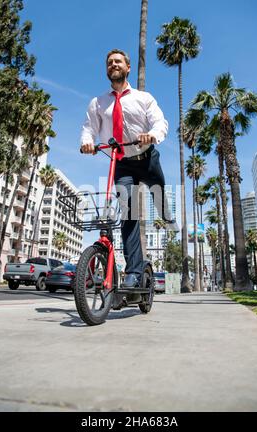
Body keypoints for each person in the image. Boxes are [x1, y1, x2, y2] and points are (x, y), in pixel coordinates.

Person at [80, 48, 176, 289]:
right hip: (122, 163)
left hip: (147, 158)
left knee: (158, 192)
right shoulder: (98, 102)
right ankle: (133, 272)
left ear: (128, 68)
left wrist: (152, 135)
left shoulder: (144, 98)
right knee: (129, 214)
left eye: (118, 61)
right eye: (109, 62)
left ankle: (165, 213)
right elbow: (89, 128)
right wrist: (87, 142)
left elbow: (159, 122)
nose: (113, 64)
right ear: (107, 69)